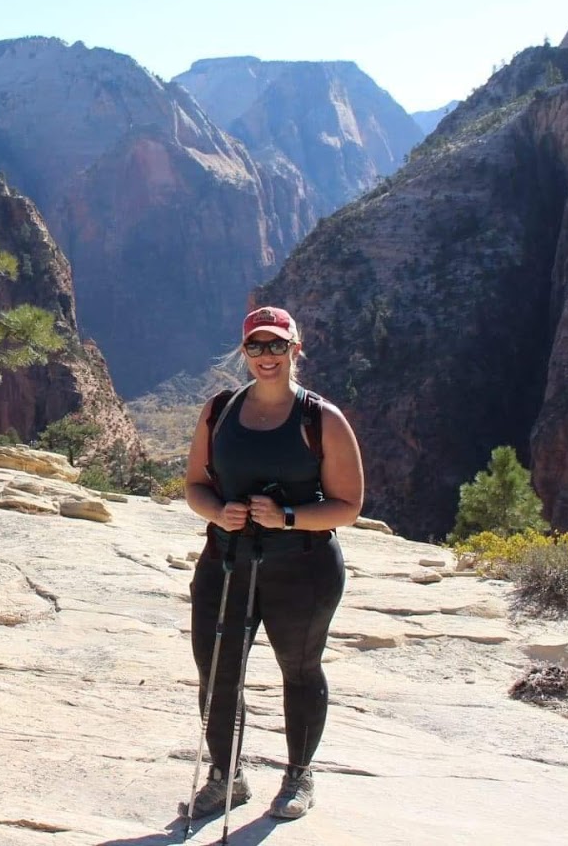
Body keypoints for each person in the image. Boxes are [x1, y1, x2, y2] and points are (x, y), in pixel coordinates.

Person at [181, 305, 365, 822]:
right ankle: (226, 777)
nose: (267, 356)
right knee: (217, 672)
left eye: (276, 345)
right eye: (256, 346)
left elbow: (348, 505)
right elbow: (195, 486)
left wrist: (286, 517)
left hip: (303, 570)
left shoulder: (321, 419)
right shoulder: (218, 411)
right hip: (226, 561)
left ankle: (298, 776)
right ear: (245, 353)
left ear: (295, 350)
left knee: (300, 670)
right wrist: (219, 510)